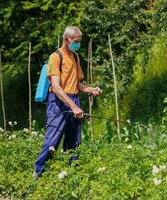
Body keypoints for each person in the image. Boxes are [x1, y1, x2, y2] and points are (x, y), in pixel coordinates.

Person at [33, 26, 102, 178]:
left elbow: (76, 84)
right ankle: (37, 176)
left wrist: (91, 90)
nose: (78, 44)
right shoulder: (56, 57)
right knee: (52, 141)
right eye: (76, 41)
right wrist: (73, 107)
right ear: (66, 39)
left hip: (74, 99)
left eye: (79, 41)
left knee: (74, 143)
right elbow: (56, 87)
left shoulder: (75, 57)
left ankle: (71, 177)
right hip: (58, 103)